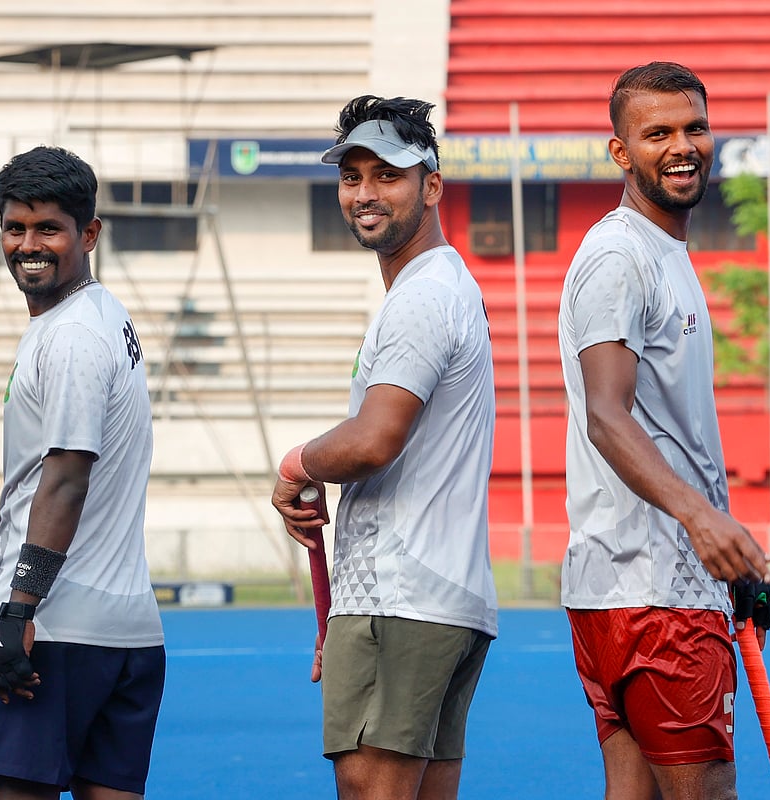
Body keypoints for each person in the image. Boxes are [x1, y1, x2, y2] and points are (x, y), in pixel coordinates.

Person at [558, 61, 770, 800]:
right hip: (658, 594)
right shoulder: (621, 257)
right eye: (658, 133)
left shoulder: (661, 254)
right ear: (620, 151)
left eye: (695, 127)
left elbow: (667, 431)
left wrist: (725, 543)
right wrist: (702, 521)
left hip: (637, 588)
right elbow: (606, 413)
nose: (683, 146)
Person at [270, 95, 498, 800]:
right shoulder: (443, 286)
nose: (365, 193)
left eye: (387, 175)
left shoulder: (423, 296)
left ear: (431, 186)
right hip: (438, 598)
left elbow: (373, 442)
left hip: (401, 599)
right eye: (352, 176)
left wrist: (294, 466)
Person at [0, 146, 164, 800]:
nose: (28, 245)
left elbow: (65, 479)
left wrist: (17, 607)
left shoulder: (70, 336)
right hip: (126, 633)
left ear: (88, 234)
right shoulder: (103, 318)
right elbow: (48, 482)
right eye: (14, 228)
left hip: (50, 633)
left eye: (48, 229)